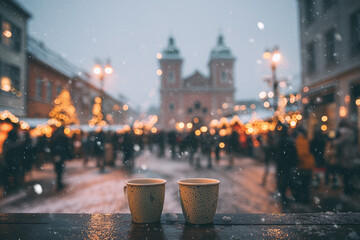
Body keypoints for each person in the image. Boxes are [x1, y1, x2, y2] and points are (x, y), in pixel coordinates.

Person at [333, 119, 359, 195]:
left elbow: (339, 141)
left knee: (347, 174)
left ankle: (347, 190)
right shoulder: (353, 132)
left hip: (347, 155)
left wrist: (333, 143)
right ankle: (350, 189)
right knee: (351, 174)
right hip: (351, 155)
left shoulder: (344, 132)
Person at [275, 124, 298, 206]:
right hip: (287, 164)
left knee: (284, 181)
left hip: (283, 165)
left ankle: (284, 197)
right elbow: (293, 153)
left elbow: (279, 154)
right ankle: (289, 197)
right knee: (288, 180)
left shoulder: (281, 141)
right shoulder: (289, 141)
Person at [294, 127, 315, 204]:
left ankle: (300, 199)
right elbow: (303, 153)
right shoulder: (304, 141)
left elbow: (300, 154)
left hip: (302, 165)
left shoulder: (298, 141)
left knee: (301, 183)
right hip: (306, 165)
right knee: (306, 183)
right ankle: (305, 199)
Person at [2, 126, 23, 194]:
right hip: (13, 160)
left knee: (9, 174)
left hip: (10, 160)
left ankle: (9, 187)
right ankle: (14, 186)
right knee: (14, 173)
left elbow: (5, 150)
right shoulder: (17, 142)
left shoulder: (7, 141)